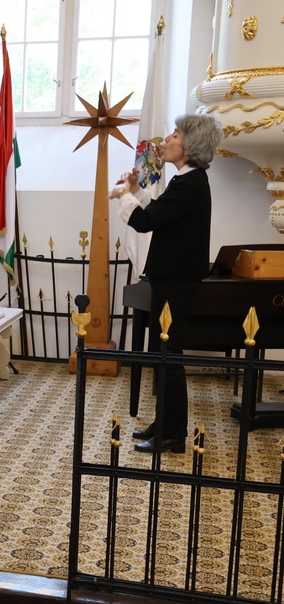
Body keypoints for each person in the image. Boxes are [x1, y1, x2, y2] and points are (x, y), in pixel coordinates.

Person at [110, 113, 223, 454]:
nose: (168, 139)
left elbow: (146, 222)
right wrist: (135, 191)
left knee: (169, 356)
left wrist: (125, 195)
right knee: (164, 354)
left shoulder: (191, 183)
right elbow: (161, 213)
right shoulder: (187, 181)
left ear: (189, 146)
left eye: (175, 133)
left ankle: (173, 434)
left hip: (176, 283)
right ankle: (165, 425)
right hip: (170, 279)